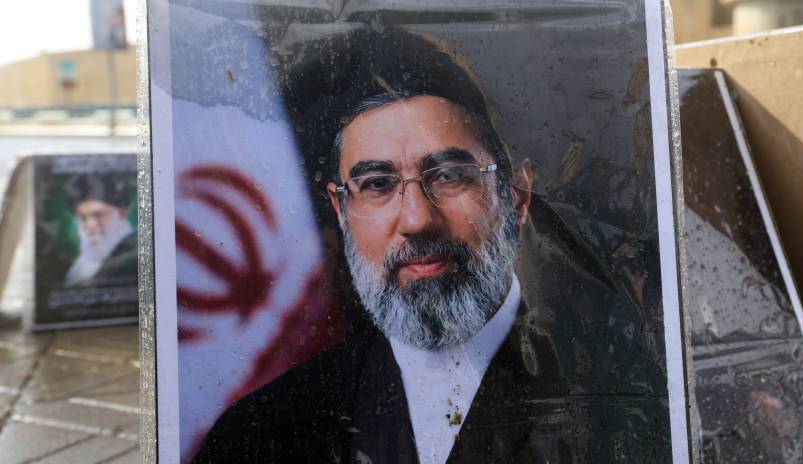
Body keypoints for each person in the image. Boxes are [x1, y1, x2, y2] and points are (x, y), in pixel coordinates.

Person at [195, 26, 669, 463]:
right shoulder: (261, 434)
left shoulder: (638, 400)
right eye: (377, 184)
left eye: (448, 176)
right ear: (341, 212)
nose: (417, 220)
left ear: (517, 195)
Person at [64, 173, 136, 287]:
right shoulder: (83, 261)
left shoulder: (135, 257)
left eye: (98, 215)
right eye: (83, 218)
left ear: (122, 213)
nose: (90, 225)